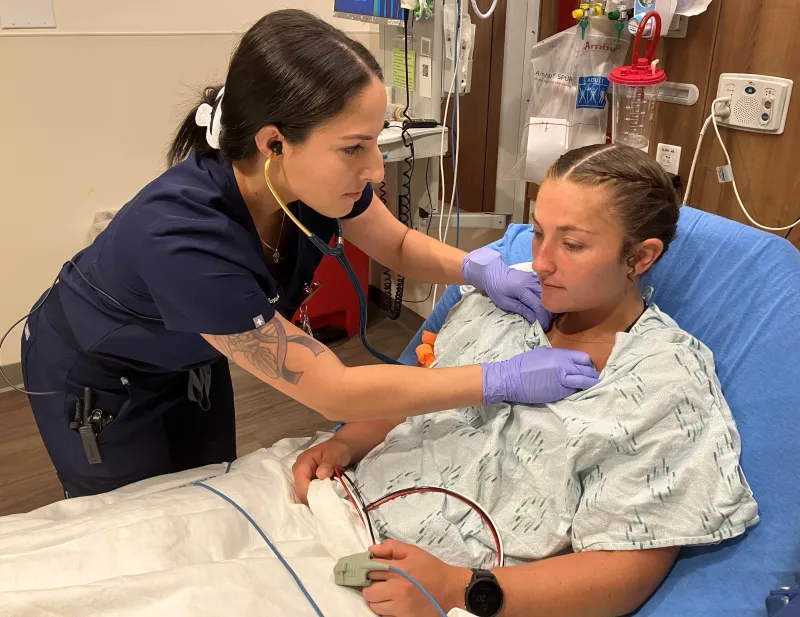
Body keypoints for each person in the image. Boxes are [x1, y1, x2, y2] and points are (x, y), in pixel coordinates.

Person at [18, 9, 599, 499]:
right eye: (354, 147)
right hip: (98, 375)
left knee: (206, 486)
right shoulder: (182, 240)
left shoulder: (308, 182)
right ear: (274, 143)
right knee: (135, 515)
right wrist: (501, 378)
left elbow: (394, 242)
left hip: (187, 359)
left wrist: (476, 269)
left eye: (376, 140)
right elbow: (333, 391)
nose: (374, 170)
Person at [292, 144, 759, 617]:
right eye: (538, 234)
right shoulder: (502, 296)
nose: (540, 262)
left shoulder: (664, 378)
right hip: (336, 506)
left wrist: (458, 588)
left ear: (640, 257)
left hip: (437, 594)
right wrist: (345, 445)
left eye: (572, 244)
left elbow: (625, 571)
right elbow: (422, 390)